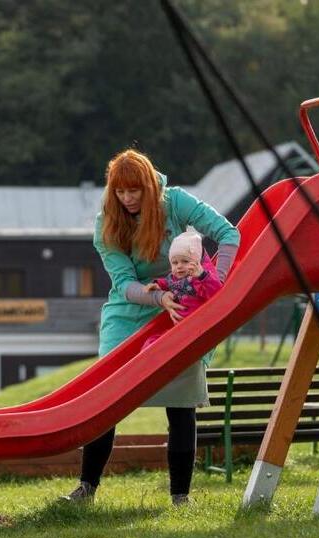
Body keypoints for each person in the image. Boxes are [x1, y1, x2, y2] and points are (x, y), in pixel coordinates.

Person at [63, 149, 239, 505]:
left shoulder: (176, 203)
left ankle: (180, 497)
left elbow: (228, 234)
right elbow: (125, 281)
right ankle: (86, 488)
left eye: (135, 191)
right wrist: (160, 300)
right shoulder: (107, 223)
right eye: (120, 192)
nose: (127, 199)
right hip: (130, 312)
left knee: (181, 404)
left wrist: (211, 288)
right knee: (105, 401)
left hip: (183, 311)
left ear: (148, 186)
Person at [141, 230, 222, 350]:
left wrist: (201, 275)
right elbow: (167, 282)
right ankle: (149, 354)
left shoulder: (201, 277)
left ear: (196, 262)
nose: (179, 266)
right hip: (180, 327)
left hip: (196, 325)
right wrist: (156, 285)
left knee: (161, 343)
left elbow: (216, 292)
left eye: (185, 261)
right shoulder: (174, 277)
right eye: (174, 262)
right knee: (151, 341)